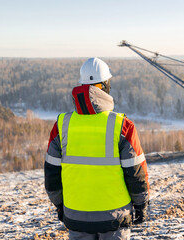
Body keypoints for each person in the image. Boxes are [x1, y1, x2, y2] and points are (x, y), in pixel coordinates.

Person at [44, 58, 150, 240]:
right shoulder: (122, 126)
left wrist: (60, 205)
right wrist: (141, 205)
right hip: (115, 219)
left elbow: (52, 173)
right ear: (106, 86)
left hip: (76, 216)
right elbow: (136, 172)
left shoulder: (62, 125)